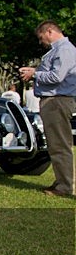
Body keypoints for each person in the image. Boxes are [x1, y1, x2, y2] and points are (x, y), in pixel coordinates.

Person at [20, 20, 76, 197]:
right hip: (55, 101)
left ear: (50, 32)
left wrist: (34, 74)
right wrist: (35, 70)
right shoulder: (60, 50)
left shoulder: (64, 50)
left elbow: (57, 76)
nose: (40, 42)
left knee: (60, 145)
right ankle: (62, 181)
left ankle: (65, 186)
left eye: (41, 37)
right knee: (57, 145)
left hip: (57, 101)